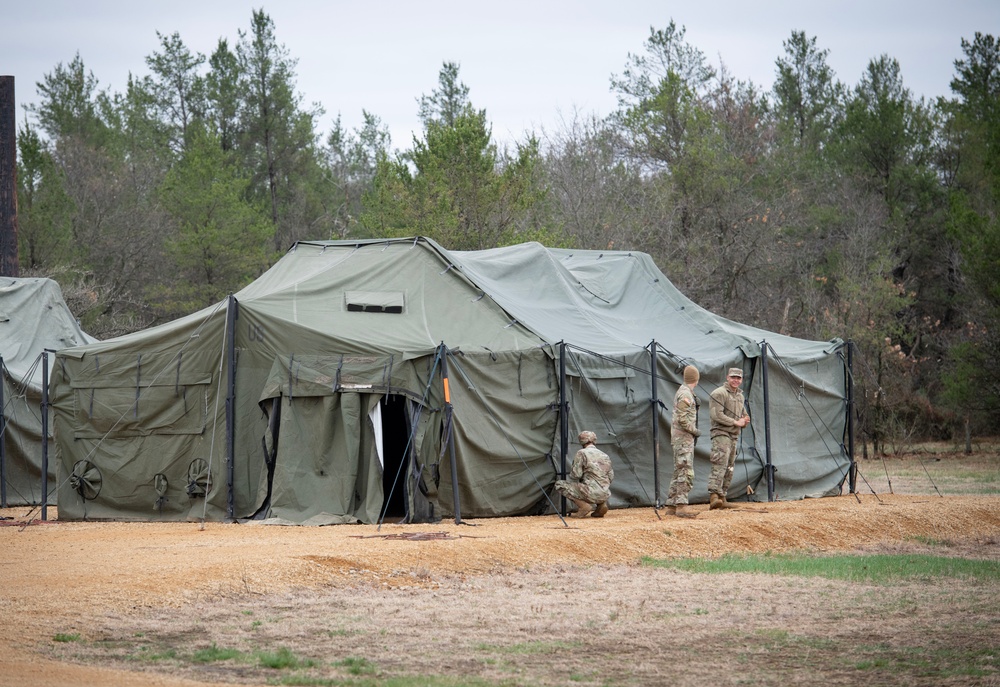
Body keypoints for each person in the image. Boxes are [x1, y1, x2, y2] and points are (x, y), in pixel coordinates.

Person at [708, 367, 750, 509]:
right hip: (721, 433)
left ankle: (723, 496)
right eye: (733, 377)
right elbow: (716, 415)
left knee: (730, 466)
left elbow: (743, 414)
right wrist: (735, 422)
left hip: (733, 435)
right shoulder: (719, 393)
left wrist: (745, 420)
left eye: (738, 378)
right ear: (727, 377)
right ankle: (714, 496)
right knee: (720, 463)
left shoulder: (740, 396)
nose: (736, 380)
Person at [665, 365, 701, 518]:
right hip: (683, 438)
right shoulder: (686, 393)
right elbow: (682, 419)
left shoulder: (684, 391)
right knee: (686, 471)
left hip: (681, 438)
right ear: (696, 379)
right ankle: (681, 506)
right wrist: (694, 430)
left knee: (679, 470)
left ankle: (672, 505)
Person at [554, 431, 614, 518]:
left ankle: (583, 506)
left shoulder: (582, 453)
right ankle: (601, 505)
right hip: (605, 493)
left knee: (560, 484)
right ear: (594, 440)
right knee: (595, 487)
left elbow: (576, 475)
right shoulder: (604, 455)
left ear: (581, 441)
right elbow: (611, 476)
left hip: (590, 492)